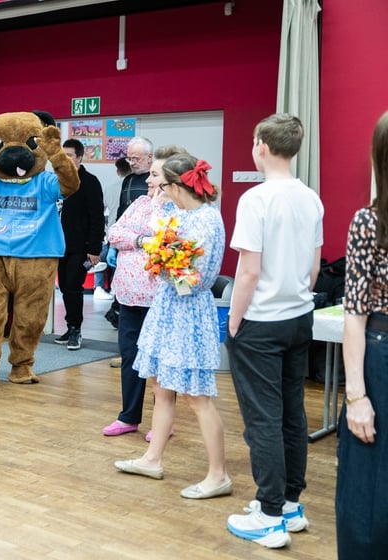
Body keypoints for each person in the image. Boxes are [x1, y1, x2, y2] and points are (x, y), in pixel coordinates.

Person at [225, 114, 323, 549]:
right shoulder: (311, 198)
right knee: (291, 412)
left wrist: (233, 319)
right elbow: (315, 267)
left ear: (261, 145)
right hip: (300, 317)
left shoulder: (256, 199)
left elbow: (248, 271)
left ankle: (268, 515)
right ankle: (288, 504)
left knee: (262, 418)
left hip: (261, 321)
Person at [114, 154, 229, 501]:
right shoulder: (175, 214)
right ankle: (152, 459)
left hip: (189, 314)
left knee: (197, 399)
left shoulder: (207, 220)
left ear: (178, 185)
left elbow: (195, 279)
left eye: (161, 184)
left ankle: (218, 475)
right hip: (167, 309)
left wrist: (165, 263)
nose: (157, 190)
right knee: (161, 388)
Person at [102, 145, 185, 441]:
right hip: (127, 295)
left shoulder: (178, 209)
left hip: (158, 297)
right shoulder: (138, 203)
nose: (147, 181)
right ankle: (128, 417)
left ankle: (164, 423)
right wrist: (142, 240)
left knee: (159, 361)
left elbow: (168, 243)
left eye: (153, 175)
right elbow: (114, 234)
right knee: (130, 356)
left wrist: (140, 240)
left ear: (169, 179)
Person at [335, 111, 388, 558]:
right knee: (370, 494)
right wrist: (356, 397)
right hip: (380, 358)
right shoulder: (369, 223)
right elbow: (355, 313)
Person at [54, 139, 105, 350]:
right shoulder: (56, 181)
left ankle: (76, 329)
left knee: (74, 288)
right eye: (62, 155)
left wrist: (94, 249)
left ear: (79, 158)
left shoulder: (89, 182)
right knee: (64, 287)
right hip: (58, 246)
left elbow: (97, 217)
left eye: (69, 156)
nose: (65, 159)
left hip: (80, 247)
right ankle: (69, 326)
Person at [105, 137, 153, 329]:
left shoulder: (156, 182)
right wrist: (112, 247)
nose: (132, 163)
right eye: (129, 159)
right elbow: (120, 215)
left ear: (149, 157)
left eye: (136, 159)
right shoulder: (129, 180)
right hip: (125, 250)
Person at [94, 157, 132, 300]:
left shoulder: (109, 188)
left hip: (112, 233)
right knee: (120, 261)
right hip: (130, 234)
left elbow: (100, 211)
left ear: (118, 171)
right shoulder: (135, 187)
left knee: (102, 257)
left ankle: (99, 287)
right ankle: (116, 289)